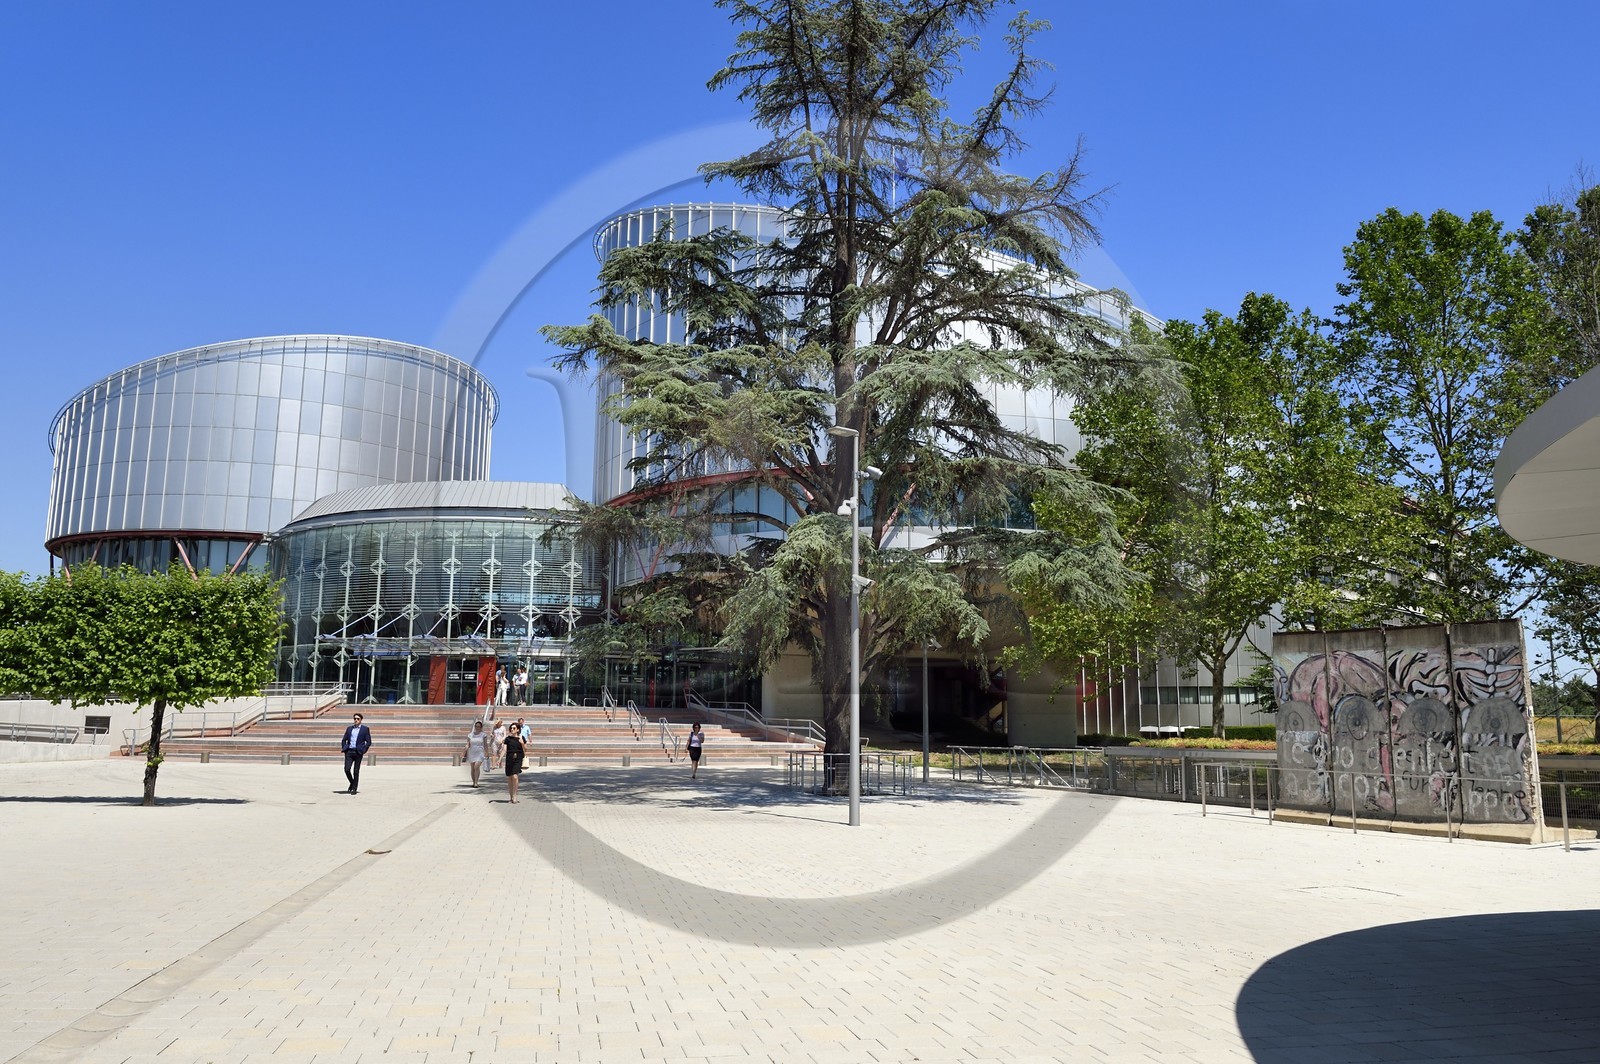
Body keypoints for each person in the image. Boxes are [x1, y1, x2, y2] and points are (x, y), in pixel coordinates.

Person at [340, 712, 371, 794]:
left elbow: (368, 742)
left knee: (356, 771)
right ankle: (352, 782)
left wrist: (363, 750)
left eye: (358, 719)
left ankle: (354, 788)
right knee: (346, 769)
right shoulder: (349, 728)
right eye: (355, 719)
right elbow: (344, 740)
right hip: (349, 751)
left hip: (358, 752)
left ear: (361, 720)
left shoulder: (365, 729)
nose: (356, 720)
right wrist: (344, 748)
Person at [502, 726, 525, 803]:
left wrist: (522, 743)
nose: (512, 729)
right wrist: (499, 758)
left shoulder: (521, 738)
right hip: (509, 758)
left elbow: (526, 749)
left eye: (514, 728)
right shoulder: (507, 739)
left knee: (515, 776)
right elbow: (504, 749)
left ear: (518, 729)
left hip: (518, 758)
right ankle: (511, 796)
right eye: (511, 728)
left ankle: (515, 796)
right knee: (509, 778)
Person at [464, 720, 490, 787]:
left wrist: (486, 752)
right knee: (472, 768)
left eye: (479, 727)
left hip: (480, 752)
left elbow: (485, 744)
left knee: (476, 766)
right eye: (476, 726)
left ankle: (476, 782)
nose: (477, 728)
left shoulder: (483, 735)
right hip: (472, 752)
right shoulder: (470, 735)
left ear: (481, 727)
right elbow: (468, 744)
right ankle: (473, 782)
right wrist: (464, 750)